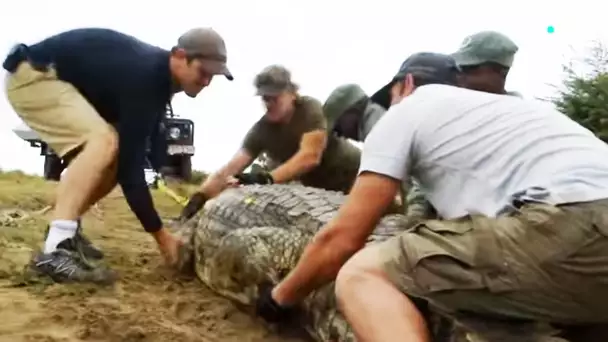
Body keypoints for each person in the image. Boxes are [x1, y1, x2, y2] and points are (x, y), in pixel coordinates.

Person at [254, 51, 608, 342]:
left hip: (571, 224)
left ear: (405, 85)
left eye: (390, 95)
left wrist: (280, 298)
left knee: (363, 274)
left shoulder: (407, 109)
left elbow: (343, 239)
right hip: (583, 250)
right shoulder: (518, 111)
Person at [3, 27, 233, 283]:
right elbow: (131, 174)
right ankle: (56, 250)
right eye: (203, 72)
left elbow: (140, 146)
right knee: (104, 142)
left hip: (60, 82)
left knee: (114, 153)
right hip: (34, 76)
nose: (206, 82)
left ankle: (67, 232)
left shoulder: (159, 82)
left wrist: (160, 168)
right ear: (180, 56)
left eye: (213, 76)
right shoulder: (146, 76)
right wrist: (162, 237)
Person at [178, 65, 362, 221]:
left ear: (292, 94)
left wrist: (265, 179)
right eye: (265, 98)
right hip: (320, 190)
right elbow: (231, 168)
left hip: (354, 172)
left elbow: (310, 156)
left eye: (275, 97)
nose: (269, 103)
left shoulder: (308, 108)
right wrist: (199, 197)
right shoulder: (261, 130)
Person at [451, 30, 521, 96]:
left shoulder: (515, 107)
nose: (458, 75)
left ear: (502, 72)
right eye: (456, 68)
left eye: (468, 68)